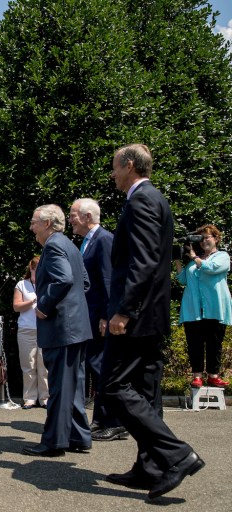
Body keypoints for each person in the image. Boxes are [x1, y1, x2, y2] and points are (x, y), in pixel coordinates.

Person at [102, 143, 203, 499]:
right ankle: (150, 467)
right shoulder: (154, 199)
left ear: (129, 166)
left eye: (115, 167)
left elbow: (142, 263)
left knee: (113, 386)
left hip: (138, 316)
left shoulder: (142, 200)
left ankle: (177, 455)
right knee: (146, 391)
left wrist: (123, 311)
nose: (112, 173)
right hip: (152, 314)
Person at [23, 204, 91, 457]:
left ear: (48, 224)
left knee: (61, 387)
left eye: (34, 222)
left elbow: (64, 280)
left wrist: (46, 304)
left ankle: (54, 442)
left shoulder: (53, 246)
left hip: (62, 329)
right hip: (76, 328)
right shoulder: (70, 245)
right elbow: (84, 282)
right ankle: (79, 437)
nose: (31, 228)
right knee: (73, 386)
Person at [69, 198, 126, 442]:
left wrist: (106, 315)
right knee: (95, 367)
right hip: (89, 316)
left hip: (99, 317)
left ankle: (114, 421)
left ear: (88, 217)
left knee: (101, 367)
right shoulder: (87, 241)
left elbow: (108, 280)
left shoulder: (104, 240)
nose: (70, 219)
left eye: (73, 214)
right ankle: (101, 419)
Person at [175, 224, 231, 388]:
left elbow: (212, 268)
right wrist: (177, 258)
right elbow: (182, 279)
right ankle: (197, 376)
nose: (204, 241)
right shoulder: (194, 260)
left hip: (215, 307)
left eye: (207, 237)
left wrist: (194, 257)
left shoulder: (222, 256)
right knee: (194, 343)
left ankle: (213, 375)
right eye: (201, 239)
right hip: (193, 308)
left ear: (216, 239)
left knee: (214, 342)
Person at [12, 256, 48, 409]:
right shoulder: (22, 284)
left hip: (45, 329)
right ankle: (30, 398)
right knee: (28, 364)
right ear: (31, 269)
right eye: (37, 269)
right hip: (27, 330)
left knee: (45, 365)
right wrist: (33, 301)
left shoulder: (48, 284)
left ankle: (45, 398)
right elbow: (16, 306)